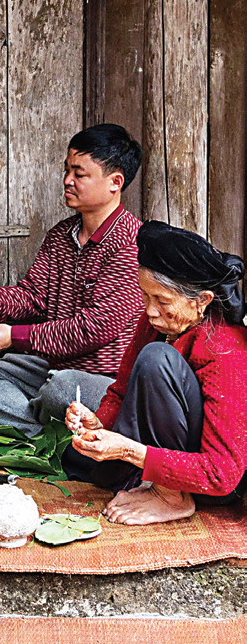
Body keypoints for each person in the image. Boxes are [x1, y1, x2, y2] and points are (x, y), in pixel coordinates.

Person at [0, 124, 144, 436]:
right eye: (67, 170)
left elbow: (95, 328)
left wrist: (16, 337)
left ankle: (52, 420)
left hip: (105, 379)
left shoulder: (131, 243)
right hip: (52, 367)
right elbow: (32, 296)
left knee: (60, 390)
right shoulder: (61, 236)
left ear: (115, 182)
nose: (67, 181)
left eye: (79, 173)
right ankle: (40, 437)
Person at [63, 220, 247, 525]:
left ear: (202, 301)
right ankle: (151, 482)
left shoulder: (224, 348)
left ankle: (171, 495)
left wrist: (129, 450)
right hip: (168, 448)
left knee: (157, 358)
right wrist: (100, 421)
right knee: (79, 460)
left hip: (208, 477)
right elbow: (121, 390)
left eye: (161, 300)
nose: (149, 310)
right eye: (146, 296)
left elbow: (221, 472)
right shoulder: (155, 321)